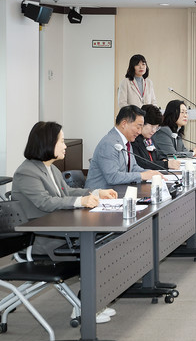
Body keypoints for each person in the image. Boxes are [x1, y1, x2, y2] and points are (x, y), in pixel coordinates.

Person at [11, 121, 118, 323]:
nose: (65, 145)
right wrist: (80, 202)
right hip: (40, 239)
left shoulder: (50, 168)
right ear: (47, 143)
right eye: (61, 141)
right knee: (94, 248)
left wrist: (96, 193)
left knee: (103, 242)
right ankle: (84, 308)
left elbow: (66, 192)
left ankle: (89, 304)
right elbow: (45, 202)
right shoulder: (27, 172)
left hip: (57, 232)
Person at [85, 105, 162, 189]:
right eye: (138, 127)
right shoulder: (109, 144)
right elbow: (113, 177)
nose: (140, 132)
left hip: (117, 191)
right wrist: (142, 175)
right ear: (124, 124)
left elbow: (133, 167)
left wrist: (151, 173)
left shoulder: (126, 142)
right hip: (99, 194)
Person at [131, 105, 182, 171]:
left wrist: (163, 159)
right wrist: (166, 164)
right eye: (152, 127)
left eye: (156, 128)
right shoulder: (134, 140)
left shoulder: (148, 140)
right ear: (142, 123)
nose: (154, 131)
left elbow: (159, 154)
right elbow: (142, 164)